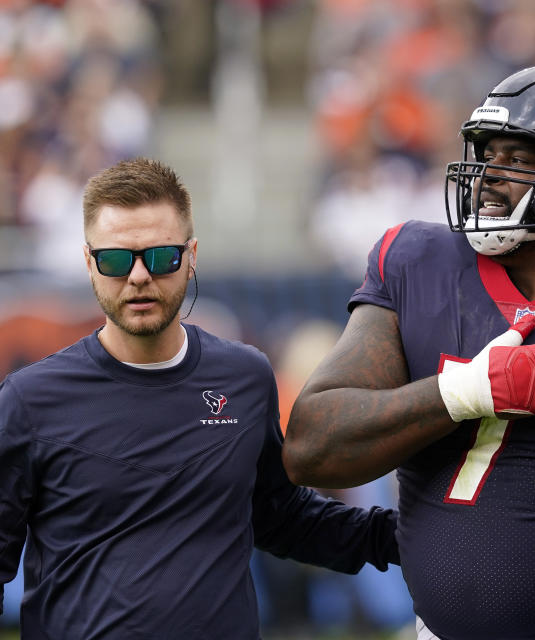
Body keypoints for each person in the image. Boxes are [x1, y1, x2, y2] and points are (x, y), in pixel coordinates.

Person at [284, 64, 535, 640]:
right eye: (487, 153)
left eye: (519, 158)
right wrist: (464, 392)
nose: (487, 177)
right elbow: (311, 448)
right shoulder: (418, 262)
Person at [0, 158, 400, 639]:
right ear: (89, 263)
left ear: (191, 256)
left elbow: (280, 517)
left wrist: (406, 537)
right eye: (115, 260)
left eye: (162, 256)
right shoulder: (29, 400)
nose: (140, 276)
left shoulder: (245, 377)